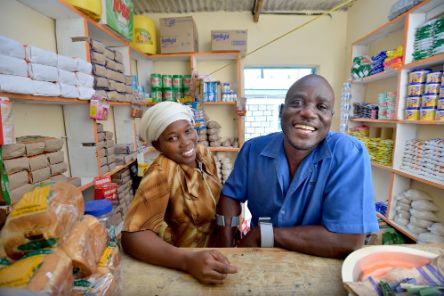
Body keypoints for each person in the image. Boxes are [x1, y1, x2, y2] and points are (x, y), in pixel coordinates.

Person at [215, 74, 379, 258]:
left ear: (330, 118)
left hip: (319, 263)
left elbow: (349, 241)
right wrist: (226, 238)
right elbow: (230, 194)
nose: (308, 113)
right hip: (259, 258)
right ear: (281, 111)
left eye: (321, 107)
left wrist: (264, 234)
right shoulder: (253, 149)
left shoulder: (348, 153)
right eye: (297, 103)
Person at [122, 102, 238, 284]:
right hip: (187, 268)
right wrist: (187, 261)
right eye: (172, 138)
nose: (185, 142)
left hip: (217, 255)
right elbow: (132, 237)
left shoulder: (204, 155)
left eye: (188, 131)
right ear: (157, 145)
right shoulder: (161, 173)